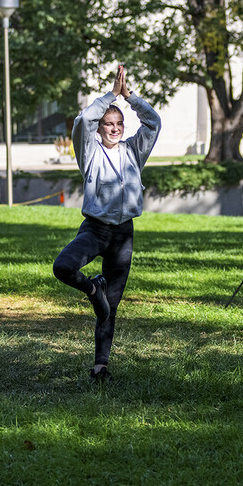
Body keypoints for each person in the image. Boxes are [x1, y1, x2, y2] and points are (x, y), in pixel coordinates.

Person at [53, 65, 160, 381]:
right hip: (96, 230)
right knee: (63, 267)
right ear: (99, 128)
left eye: (118, 124)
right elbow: (82, 121)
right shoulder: (89, 152)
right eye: (107, 124)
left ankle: (101, 367)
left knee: (109, 308)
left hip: (124, 235)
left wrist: (130, 98)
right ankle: (92, 287)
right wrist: (111, 95)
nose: (113, 128)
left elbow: (154, 122)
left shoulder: (132, 151)